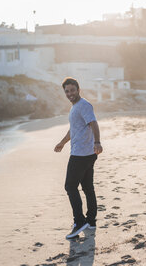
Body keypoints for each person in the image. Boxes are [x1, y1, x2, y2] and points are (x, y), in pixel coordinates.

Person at [54, 77, 103, 239]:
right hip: (86, 153)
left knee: (70, 186)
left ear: (78, 89)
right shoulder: (75, 107)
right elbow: (73, 130)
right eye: (67, 91)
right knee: (88, 187)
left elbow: (93, 123)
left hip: (81, 154)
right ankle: (91, 221)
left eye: (72, 90)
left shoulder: (84, 105)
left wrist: (97, 142)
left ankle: (79, 222)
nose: (69, 94)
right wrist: (62, 143)